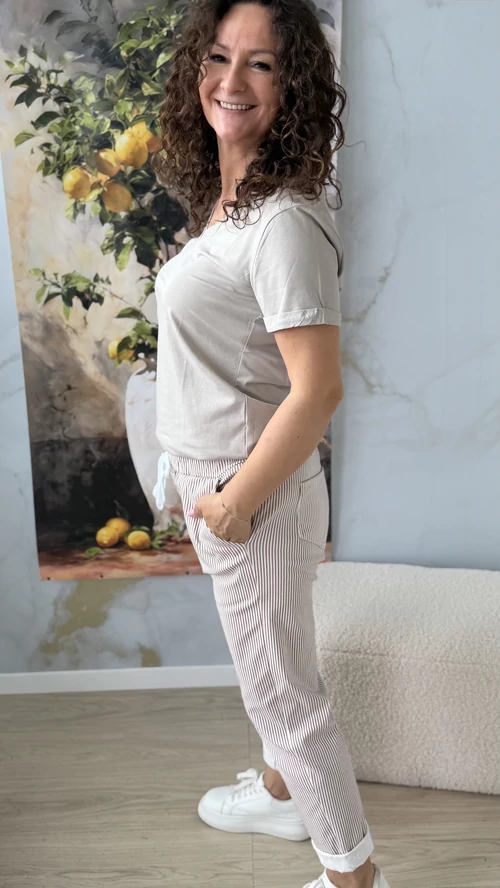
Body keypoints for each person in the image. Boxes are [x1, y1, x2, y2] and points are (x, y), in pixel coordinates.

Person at [152, 1, 390, 886]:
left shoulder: (282, 220)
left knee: (285, 698)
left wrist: (233, 505)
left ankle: (354, 878)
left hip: (252, 495)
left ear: (294, 87)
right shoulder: (236, 200)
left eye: (261, 63)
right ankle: (286, 796)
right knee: (281, 668)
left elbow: (317, 389)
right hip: (239, 487)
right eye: (219, 57)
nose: (231, 80)